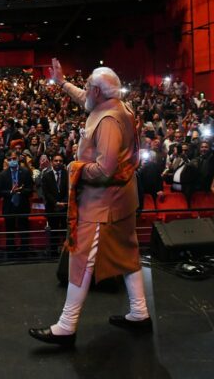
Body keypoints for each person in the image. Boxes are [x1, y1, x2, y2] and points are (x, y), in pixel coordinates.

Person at [29, 59, 151, 347]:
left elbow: (105, 169)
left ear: (99, 91)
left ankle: (66, 326)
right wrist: (62, 83)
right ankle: (140, 312)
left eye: (88, 87)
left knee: (82, 258)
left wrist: (76, 167)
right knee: (127, 252)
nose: (84, 91)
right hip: (122, 199)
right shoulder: (115, 106)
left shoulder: (108, 121)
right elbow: (85, 99)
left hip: (103, 204)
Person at [0, 149, 33, 257]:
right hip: (9, 206)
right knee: (10, 231)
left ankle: (24, 251)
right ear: (7, 161)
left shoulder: (26, 172)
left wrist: (20, 191)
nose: (12, 161)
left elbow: (30, 190)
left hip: (22, 205)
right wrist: (11, 192)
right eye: (9, 159)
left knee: (24, 230)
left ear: (18, 158)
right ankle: (10, 252)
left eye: (14, 158)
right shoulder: (3, 174)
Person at [41, 154, 69, 254]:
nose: (58, 163)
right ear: (52, 162)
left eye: (60, 161)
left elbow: (69, 191)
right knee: (54, 230)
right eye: (56, 161)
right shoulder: (46, 176)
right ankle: (53, 251)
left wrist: (64, 203)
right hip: (52, 207)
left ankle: (66, 251)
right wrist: (56, 203)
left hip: (65, 207)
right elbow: (46, 192)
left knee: (65, 229)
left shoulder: (68, 175)